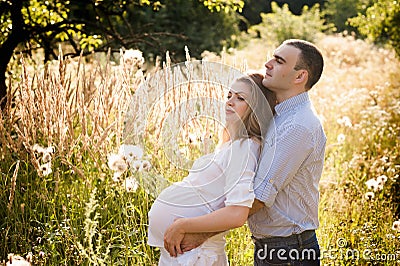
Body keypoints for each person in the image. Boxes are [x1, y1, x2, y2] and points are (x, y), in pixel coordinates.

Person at [164, 39, 326, 266]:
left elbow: (258, 198)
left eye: (279, 61)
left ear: (300, 77)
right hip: (276, 247)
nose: (268, 64)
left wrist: (197, 233)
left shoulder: (297, 125)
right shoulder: (279, 117)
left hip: (289, 249)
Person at [147, 73, 276, 265]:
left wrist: (183, 225)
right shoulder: (232, 145)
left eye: (240, 98)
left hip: (197, 254)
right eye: (229, 96)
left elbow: (237, 214)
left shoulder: (244, 148)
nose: (230, 102)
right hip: (186, 253)